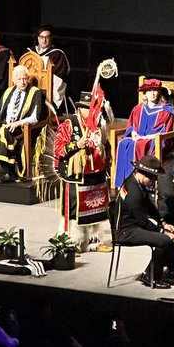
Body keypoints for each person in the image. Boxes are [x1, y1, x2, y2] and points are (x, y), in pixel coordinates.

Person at [53, 89, 111, 250]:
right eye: (88, 108)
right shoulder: (69, 124)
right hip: (77, 175)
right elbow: (58, 148)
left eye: (93, 108)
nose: (91, 112)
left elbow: (107, 146)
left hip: (96, 173)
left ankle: (93, 240)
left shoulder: (99, 124)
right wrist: (76, 145)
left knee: (96, 209)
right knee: (74, 211)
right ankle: (72, 241)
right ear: (80, 109)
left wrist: (103, 151)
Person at [115, 154, 174, 287]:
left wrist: (163, 223)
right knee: (164, 241)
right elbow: (143, 221)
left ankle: (166, 272)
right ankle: (152, 277)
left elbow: (150, 208)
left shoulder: (136, 183)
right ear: (145, 174)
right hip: (125, 231)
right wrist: (162, 232)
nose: (154, 181)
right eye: (153, 178)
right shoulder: (133, 192)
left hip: (133, 225)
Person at [113, 78, 174, 189]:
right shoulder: (138, 109)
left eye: (155, 90)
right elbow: (131, 125)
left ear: (159, 92)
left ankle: (143, 182)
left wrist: (147, 137)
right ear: (145, 93)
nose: (153, 93)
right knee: (123, 143)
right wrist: (133, 132)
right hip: (138, 137)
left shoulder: (165, 111)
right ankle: (123, 182)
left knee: (140, 145)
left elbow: (165, 131)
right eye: (150, 90)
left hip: (155, 140)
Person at [27, 27, 70, 110]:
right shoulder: (29, 52)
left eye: (47, 37)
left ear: (51, 38)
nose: (44, 40)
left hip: (47, 89)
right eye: (42, 37)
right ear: (38, 38)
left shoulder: (57, 54)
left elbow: (59, 75)